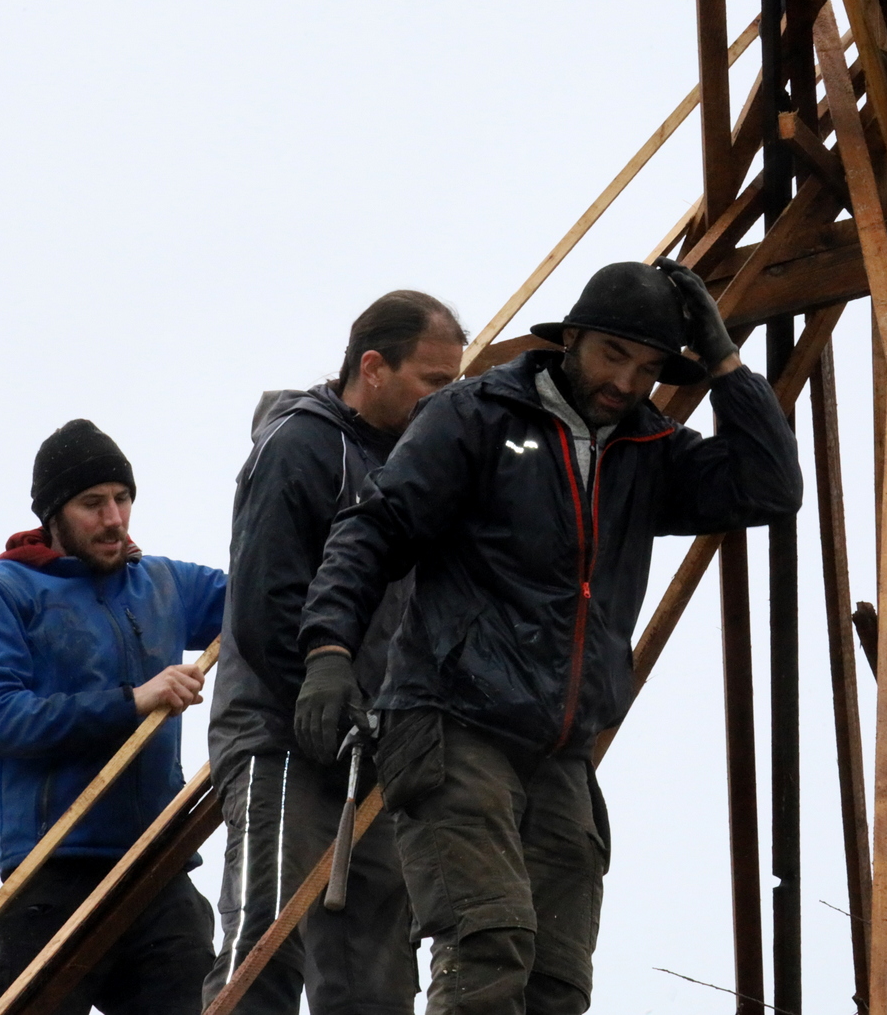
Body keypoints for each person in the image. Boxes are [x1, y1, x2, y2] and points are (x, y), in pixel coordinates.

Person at [295, 259, 803, 1015]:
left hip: (560, 749)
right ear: (571, 339)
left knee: (557, 984)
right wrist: (329, 652)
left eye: (649, 367)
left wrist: (723, 358)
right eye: (613, 355)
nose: (626, 381)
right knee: (486, 948)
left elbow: (770, 486)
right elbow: (372, 531)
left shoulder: (649, 450)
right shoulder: (475, 417)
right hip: (453, 724)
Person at [201, 291, 467, 1015]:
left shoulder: (418, 466)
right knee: (265, 942)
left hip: (377, 744)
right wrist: (322, 687)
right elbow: (266, 602)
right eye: (433, 381)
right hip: (282, 733)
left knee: (375, 974)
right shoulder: (299, 445)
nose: (445, 400)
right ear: (373, 367)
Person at [0, 419, 225, 1015]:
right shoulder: (1, 593)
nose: (114, 518)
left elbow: (265, 595)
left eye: (122, 498)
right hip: (53, 870)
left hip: (156, 863)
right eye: (92, 503)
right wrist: (132, 701)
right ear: (54, 515)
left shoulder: (162, 584)